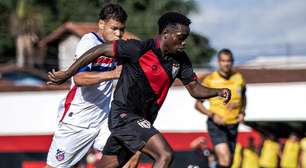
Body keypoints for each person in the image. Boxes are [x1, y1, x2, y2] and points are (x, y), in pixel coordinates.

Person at [47, 12, 231, 168]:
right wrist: (67, 73)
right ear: (166, 34)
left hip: (141, 121)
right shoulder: (139, 49)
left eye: (186, 38)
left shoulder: (181, 60)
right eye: (181, 37)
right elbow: (100, 49)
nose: (184, 43)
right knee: (165, 155)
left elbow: (195, 89)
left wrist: (218, 92)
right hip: (124, 116)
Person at [45, 4, 140, 168]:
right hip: (77, 120)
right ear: (101, 24)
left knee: (132, 153)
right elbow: (80, 79)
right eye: (114, 28)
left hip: (103, 119)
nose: (118, 34)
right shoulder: (89, 43)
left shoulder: (117, 47)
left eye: (122, 29)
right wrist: (113, 74)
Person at [195, 49, 246, 168]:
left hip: (233, 125)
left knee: (229, 162)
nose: (226, 64)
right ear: (218, 62)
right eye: (223, 61)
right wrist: (212, 115)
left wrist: (242, 112)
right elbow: (198, 104)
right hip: (217, 125)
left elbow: (244, 97)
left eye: (229, 61)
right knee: (225, 157)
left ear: (232, 62)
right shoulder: (210, 80)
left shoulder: (239, 78)